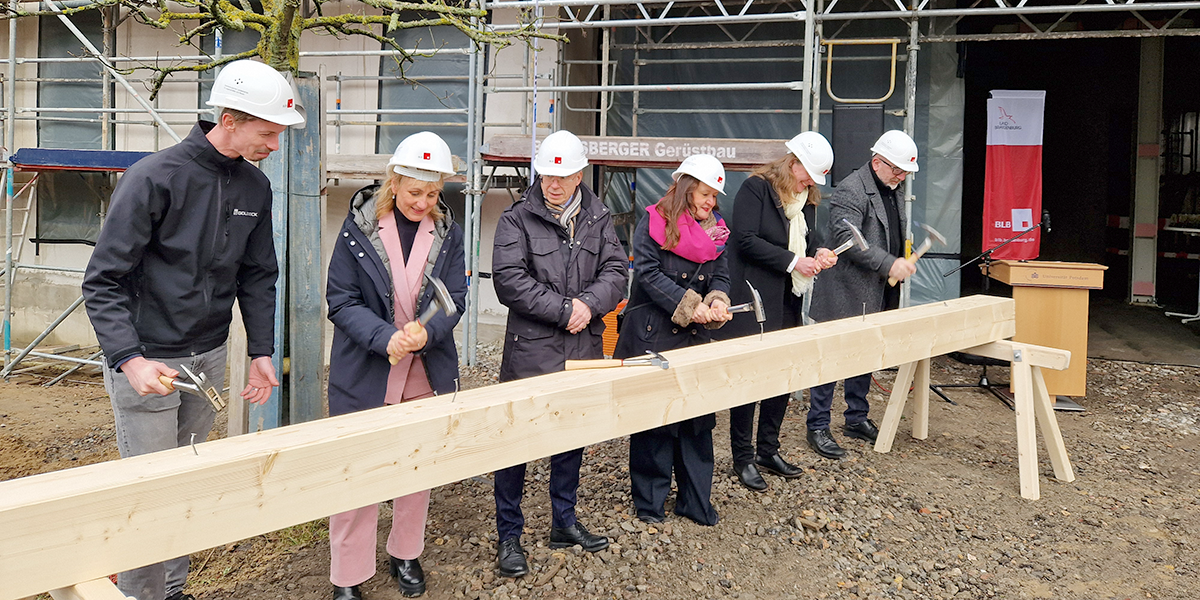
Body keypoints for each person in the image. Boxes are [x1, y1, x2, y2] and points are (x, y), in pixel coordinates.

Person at [81, 59, 303, 600]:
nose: (275, 144)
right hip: (151, 360)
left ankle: (173, 590)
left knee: (186, 483)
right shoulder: (155, 178)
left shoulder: (255, 188)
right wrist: (129, 360)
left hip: (207, 357)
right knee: (149, 489)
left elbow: (259, 275)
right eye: (268, 132)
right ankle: (140, 595)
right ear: (229, 118)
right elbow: (102, 281)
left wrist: (262, 351)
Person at [324, 132, 466, 600]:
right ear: (394, 182)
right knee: (356, 472)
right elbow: (340, 301)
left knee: (415, 470)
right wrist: (384, 337)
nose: (423, 203)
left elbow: (455, 299)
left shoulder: (447, 232)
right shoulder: (358, 229)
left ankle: (405, 552)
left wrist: (430, 332)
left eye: (432, 194)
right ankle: (348, 574)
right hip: (367, 370)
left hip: (424, 371)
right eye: (414, 192)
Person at [491, 129, 627, 578]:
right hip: (532, 350)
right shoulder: (516, 220)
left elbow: (616, 272)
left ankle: (563, 522)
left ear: (579, 174)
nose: (553, 184)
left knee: (571, 437)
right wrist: (566, 309)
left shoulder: (599, 217)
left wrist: (588, 306)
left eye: (563, 175)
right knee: (516, 442)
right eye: (547, 174)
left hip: (583, 344)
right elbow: (509, 280)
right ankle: (509, 534)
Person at [614, 154, 732, 526]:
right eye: (705, 194)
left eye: (714, 197)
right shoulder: (653, 220)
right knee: (655, 422)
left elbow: (721, 277)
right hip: (653, 333)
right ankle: (650, 504)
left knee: (698, 422)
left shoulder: (717, 232)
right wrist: (688, 304)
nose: (710, 203)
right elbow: (647, 275)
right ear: (685, 188)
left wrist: (716, 302)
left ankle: (696, 502)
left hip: (694, 337)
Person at [716, 131, 837, 492]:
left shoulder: (808, 201)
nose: (808, 183)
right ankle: (743, 456)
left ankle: (769, 449)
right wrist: (793, 261)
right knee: (751, 377)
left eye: (814, 180)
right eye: (806, 175)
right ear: (792, 163)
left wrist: (821, 253)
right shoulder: (757, 189)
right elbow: (746, 240)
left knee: (781, 375)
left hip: (788, 296)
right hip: (753, 294)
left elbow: (811, 240)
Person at [807, 130, 920, 459]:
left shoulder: (892, 186)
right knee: (830, 360)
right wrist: (890, 264)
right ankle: (817, 425)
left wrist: (897, 260)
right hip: (845, 289)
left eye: (905, 173)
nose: (901, 177)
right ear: (877, 161)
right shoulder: (850, 189)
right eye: (897, 170)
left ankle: (855, 418)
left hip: (877, 289)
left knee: (866, 356)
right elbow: (850, 239)